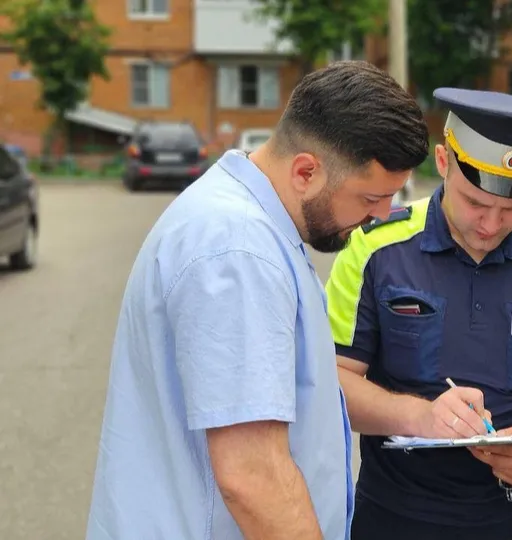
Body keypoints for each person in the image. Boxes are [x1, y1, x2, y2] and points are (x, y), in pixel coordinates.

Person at [85, 60, 429, 540]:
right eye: (370, 197)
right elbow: (252, 475)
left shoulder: (248, 221)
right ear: (306, 171)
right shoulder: (240, 252)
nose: (380, 215)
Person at [324, 87, 512, 540]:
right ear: (443, 162)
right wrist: (419, 416)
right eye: (475, 203)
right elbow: (332, 383)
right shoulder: (374, 249)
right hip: (392, 517)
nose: (490, 225)